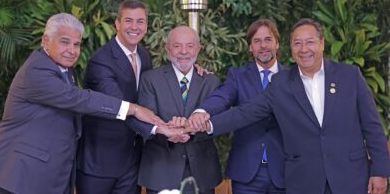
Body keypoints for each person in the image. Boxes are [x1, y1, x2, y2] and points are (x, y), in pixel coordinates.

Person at [190, 18, 390, 194]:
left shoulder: (349, 75)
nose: (304, 49)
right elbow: (245, 113)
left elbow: (372, 127)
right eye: (297, 44)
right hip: (305, 181)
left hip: (350, 178)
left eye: (310, 42)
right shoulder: (281, 83)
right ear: (290, 48)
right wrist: (205, 125)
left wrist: (380, 171)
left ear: (322, 44)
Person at [0, 13, 161, 194]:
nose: (72, 50)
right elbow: (79, 99)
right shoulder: (37, 70)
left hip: (50, 176)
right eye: (64, 42)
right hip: (19, 177)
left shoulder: (66, 70)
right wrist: (132, 109)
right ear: (45, 41)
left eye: (77, 44)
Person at [76, 0, 185, 194]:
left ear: (146, 26)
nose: (134, 27)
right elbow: (121, 107)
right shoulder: (101, 61)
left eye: (140, 21)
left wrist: (190, 71)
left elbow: (152, 90)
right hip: (100, 161)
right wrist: (160, 129)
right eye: (128, 21)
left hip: (132, 160)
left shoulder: (143, 54)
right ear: (117, 24)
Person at [195, 19, 286, 194]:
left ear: (277, 43)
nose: (263, 46)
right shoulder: (237, 76)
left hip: (283, 172)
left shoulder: (292, 78)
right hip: (246, 174)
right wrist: (202, 112)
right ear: (250, 47)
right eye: (257, 41)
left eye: (268, 39)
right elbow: (222, 96)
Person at [137, 26, 222, 194]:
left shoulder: (211, 81)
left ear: (198, 49)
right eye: (177, 46)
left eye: (190, 46)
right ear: (167, 49)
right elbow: (146, 119)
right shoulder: (150, 79)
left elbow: (217, 123)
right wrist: (170, 130)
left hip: (202, 171)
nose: (184, 51)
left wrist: (190, 127)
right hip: (161, 171)